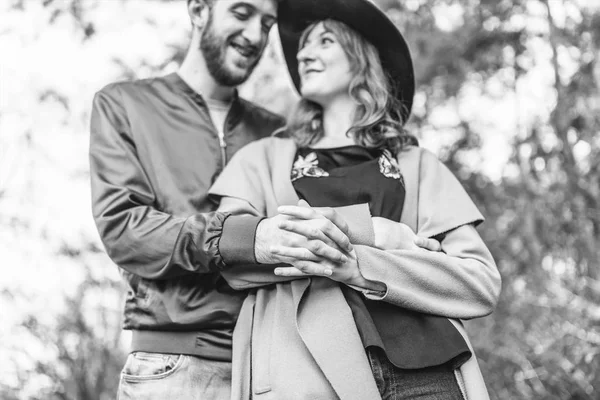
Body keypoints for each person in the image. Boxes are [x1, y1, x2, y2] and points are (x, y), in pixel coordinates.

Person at [208, 0, 502, 399]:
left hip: (430, 370)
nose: (305, 53)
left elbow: (479, 283)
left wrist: (357, 266)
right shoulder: (262, 159)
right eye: (303, 47)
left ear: (362, 59)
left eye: (324, 41)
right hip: (306, 372)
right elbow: (231, 252)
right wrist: (373, 231)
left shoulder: (417, 165)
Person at [88, 0, 359, 398]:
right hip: (174, 368)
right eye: (241, 13)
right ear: (199, 10)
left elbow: (310, 231)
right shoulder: (124, 104)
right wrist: (245, 238)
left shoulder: (278, 133)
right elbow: (125, 230)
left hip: (279, 366)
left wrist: (388, 236)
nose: (256, 36)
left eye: (266, 23)